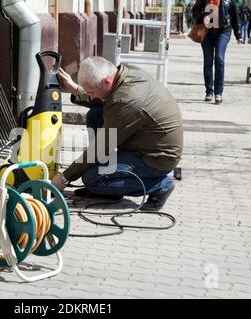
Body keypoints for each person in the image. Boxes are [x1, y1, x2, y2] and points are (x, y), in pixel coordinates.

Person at [51, 57, 184, 212]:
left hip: (156, 158)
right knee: (95, 115)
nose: (91, 96)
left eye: (91, 92)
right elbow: (104, 99)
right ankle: (110, 189)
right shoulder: (123, 74)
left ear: (106, 82)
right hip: (144, 141)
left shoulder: (126, 101)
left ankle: (160, 186)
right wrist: (75, 88)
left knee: (91, 178)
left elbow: (100, 147)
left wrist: (64, 178)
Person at [192, 0, 243, 104]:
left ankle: (218, 93)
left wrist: (238, 35)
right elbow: (194, 11)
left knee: (219, 59)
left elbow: (235, 17)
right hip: (207, 32)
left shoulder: (229, 1)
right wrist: (203, 16)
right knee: (208, 61)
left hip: (223, 32)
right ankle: (209, 92)